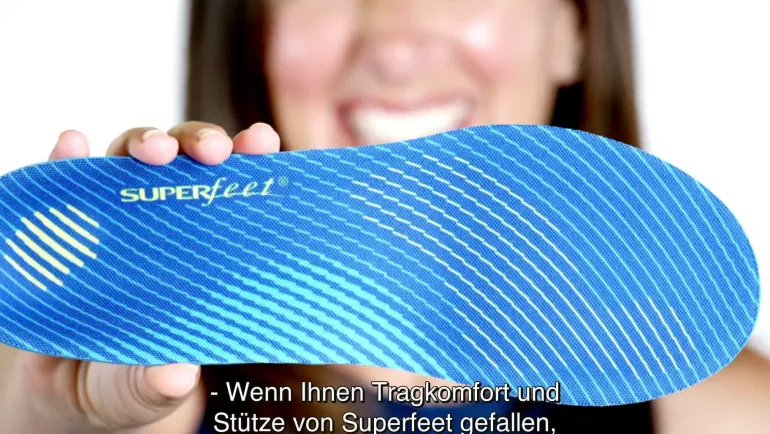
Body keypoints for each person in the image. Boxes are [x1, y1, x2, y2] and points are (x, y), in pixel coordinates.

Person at [1, 0, 769, 433]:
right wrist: (51, 424)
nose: (394, 47)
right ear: (250, 30)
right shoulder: (104, 385)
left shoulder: (728, 413)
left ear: (576, 31)